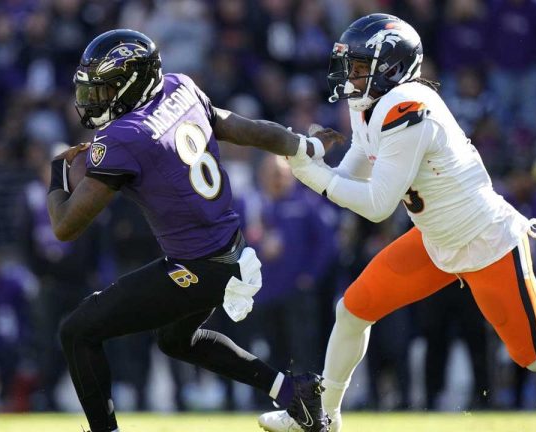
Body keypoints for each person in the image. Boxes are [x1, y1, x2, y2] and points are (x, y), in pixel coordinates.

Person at [257, 13, 536, 432]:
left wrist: (312, 174)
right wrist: (310, 159)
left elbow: (377, 205)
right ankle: (323, 417)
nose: (350, 77)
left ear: (391, 69)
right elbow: (349, 180)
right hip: (436, 241)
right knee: (352, 311)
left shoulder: (407, 107)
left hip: (484, 240)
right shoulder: (372, 106)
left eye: (360, 68)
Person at [47, 29, 341, 432]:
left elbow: (64, 227)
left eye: (104, 89)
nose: (94, 100)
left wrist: (57, 174)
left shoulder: (123, 138)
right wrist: (305, 146)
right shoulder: (180, 89)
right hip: (228, 251)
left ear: (131, 85)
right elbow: (246, 128)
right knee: (175, 339)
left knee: (77, 331)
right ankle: (295, 396)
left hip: (199, 265)